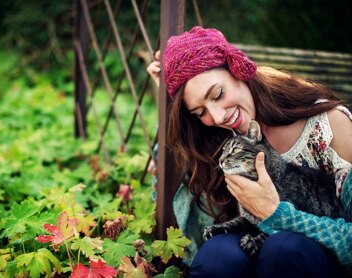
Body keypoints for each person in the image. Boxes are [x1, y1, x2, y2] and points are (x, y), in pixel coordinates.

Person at [147, 26, 352, 277]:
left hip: (319, 262)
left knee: (284, 250)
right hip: (258, 246)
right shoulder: (223, 134)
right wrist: (167, 103)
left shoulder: (329, 126)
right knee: (217, 255)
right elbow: (182, 185)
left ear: (238, 68)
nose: (218, 116)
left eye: (218, 94)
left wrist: (277, 215)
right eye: (200, 112)